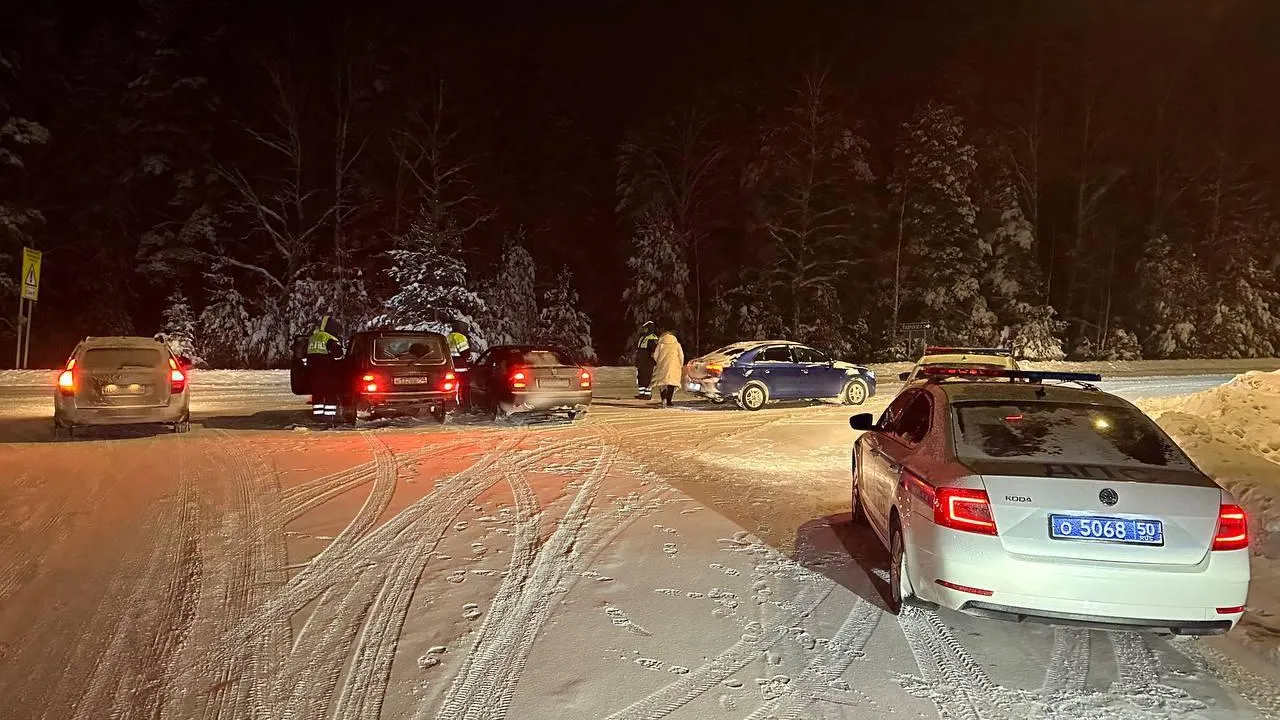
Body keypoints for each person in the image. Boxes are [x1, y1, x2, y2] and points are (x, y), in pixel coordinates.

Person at [307, 315, 345, 423]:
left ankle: (318, 416)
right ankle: (329, 418)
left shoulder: (313, 337)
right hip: (328, 372)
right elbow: (337, 355)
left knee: (317, 394)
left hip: (314, 373)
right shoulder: (330, 338)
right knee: (330, 394)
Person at [651, 328, 685, 408]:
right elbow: (681, 356)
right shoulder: (677, 344)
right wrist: (680, 364)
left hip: (662, 365)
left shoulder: (660, 344)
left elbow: (656, 355)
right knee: (671, 383)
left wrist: (659, 362)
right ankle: (669, 400)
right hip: (674, 366)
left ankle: (663, 399)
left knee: (663, 383)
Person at [634, 320, 659, 400]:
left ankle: (647, 394)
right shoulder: (642, 337)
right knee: (640, 377)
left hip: (648, 362)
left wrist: (653, 361)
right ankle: (642, 393)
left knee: (648, 378)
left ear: (649, 328)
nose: (643, 329)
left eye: (645, 328)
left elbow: (653, 351)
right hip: (641, 362)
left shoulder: (652, 337)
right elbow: (639, 350)